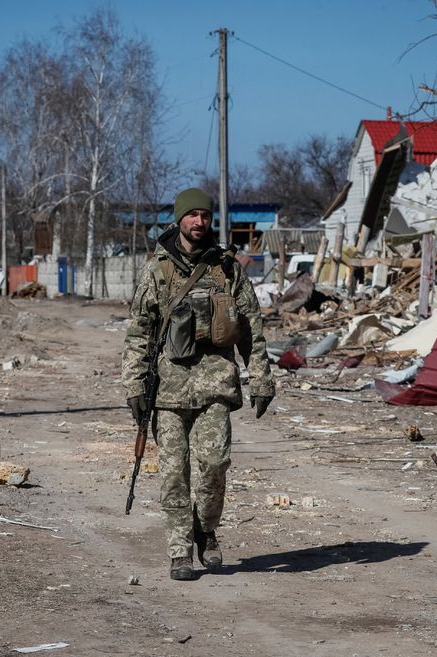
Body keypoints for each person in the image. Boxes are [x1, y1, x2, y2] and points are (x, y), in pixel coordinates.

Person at [122, 187, 275, 581]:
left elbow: (251, 329)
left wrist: (260, 379)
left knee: (214, 465)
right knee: (174, 472)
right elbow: (139, 331)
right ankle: (179, 551)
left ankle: (204, 530)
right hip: (169, 388)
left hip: (216, 385)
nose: (199, 222)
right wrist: (134, 385)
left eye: (204, 216)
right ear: (179, 219)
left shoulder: (228, 269)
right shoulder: (157, 270)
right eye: (191, 215)